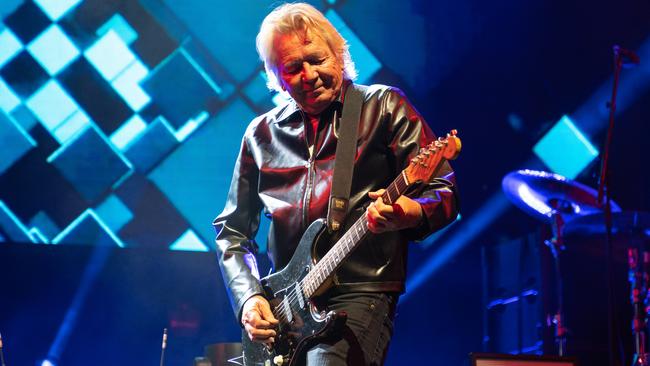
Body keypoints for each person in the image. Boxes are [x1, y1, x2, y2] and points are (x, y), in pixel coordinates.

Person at [213, 3, 459, 365]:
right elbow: (231, 232)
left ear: (339, 56)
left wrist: (408, 212)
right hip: (286, 306)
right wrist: (250, 298)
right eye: (293, 68)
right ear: (277, 77)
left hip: (359, 291)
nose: (309, 75)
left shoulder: (383, 107)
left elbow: (444, 190)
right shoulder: (260, 134)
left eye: (317, 60)